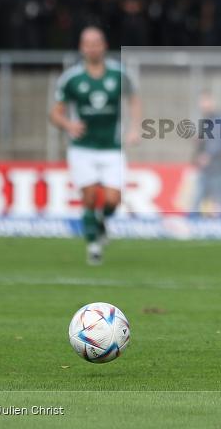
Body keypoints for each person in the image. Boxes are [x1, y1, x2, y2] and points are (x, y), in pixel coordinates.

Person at [50, 27, 141, 265]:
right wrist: (68, 125)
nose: (92, 47)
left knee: (113, 199)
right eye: (87, 43)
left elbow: (134, 99)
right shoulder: (72, 78)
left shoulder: (118, 74)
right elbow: (55, 113)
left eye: (96, 42)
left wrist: (134, 127)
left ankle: (100, 224)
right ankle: (93, 246)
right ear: (82, 47)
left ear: (103, 45)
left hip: (112, 147)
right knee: (89, 195)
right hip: (82, 148)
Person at [190, 91, 221, 218]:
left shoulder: (219, 118)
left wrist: (207, 155)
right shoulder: (207, 120)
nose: (202, 105)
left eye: (205, 101)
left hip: (218, 166)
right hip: (209, 167)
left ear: (211, 102)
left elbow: (219, 140)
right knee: (201, 195)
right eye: (201, 102)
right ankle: (192, 223)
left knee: (217, 196)